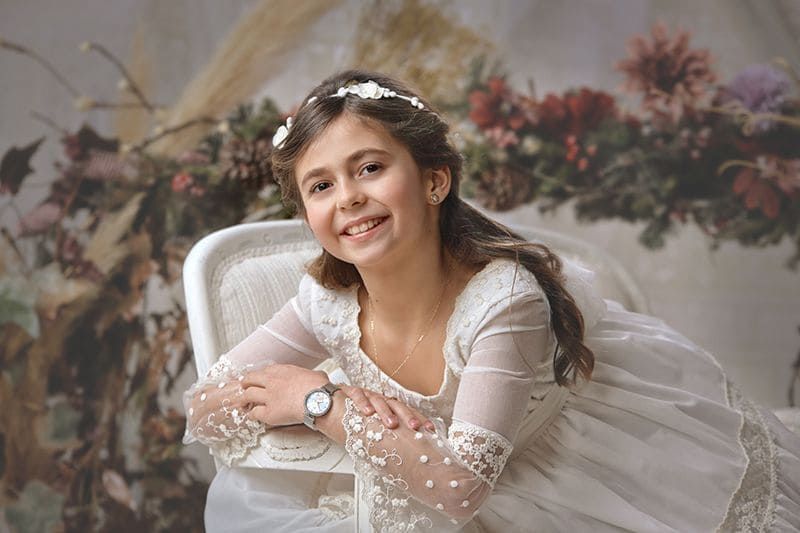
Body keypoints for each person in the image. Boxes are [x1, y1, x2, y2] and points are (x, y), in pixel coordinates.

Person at [183, 69, 800, 532]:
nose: (346, 197)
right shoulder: (326, 298)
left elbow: (459, 489)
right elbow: (205, 408)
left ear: (434, 180)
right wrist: (299, 394)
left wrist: (321, 400)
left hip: (562, 468)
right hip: (428, 469)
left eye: (369, 168)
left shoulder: (502, 300)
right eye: (320, 185)